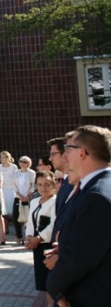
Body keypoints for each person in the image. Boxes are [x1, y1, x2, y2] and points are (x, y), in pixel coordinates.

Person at [46, 125, 111, 307]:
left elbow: (80, 260)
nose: (64, 156)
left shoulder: (96, 196)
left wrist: (55, 288)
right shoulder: (98, 187)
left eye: (68, 149)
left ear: (82, 153)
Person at [24, 171, 57, 302]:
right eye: (40, 184)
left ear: (53, 185)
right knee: (44, 283)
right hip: (37, 246)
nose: (43, 188)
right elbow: (30, 222)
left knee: (52, 282)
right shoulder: (35, 201)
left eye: (47, 184)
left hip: (49, 246)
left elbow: (54, 224)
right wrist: (29, 237)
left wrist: (39, 238)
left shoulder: (56, 202)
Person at [12, 156, 36, 244]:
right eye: (21, 161)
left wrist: (28, 196)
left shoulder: (31, 173)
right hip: (18, 197)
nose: (22, 163)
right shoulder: (16, 172)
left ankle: (28, 236)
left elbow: (33, 185)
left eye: (25, 162)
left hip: (28, 198)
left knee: (28, 217)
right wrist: (20, 196)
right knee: (16, 216)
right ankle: (19, 237)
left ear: (28, 164)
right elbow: (14, 185)